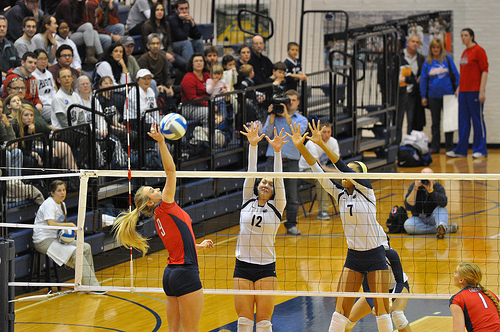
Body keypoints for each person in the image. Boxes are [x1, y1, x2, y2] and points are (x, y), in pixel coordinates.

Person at [288, 119, 393, 332]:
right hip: (354, 257)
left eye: (351, 172)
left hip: (375, 256)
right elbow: (317, 170)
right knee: (340, 309)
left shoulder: (367, 192)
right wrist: (300, 147)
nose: (344, 174)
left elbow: (341, 166)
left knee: (382, 309)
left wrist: (323, 144)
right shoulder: (340, 194)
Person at [113, 123, 214, 331]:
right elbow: (171, 170)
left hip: (171, 275)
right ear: (150, 202)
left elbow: (180, 245)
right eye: (152, 190)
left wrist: (200, 247)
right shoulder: (165, 205)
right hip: (185, 274)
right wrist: (161, 142)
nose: (158, 189)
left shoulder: (159, 218)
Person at [234, 122, 287, 332]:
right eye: (263, 182)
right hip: (242, 265)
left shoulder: (277, 207)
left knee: (264, 321)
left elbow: (281, 180)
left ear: (273, 190)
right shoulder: (247, 199)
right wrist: (253, 146)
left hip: (266, 267)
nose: (265, 184)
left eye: (270, 183)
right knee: (244, 320)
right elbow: (250, 171)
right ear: (257, 186)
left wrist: (277, 152)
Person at [33, 180, 102, 290]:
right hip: (43, 240)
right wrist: (69, 224)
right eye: (59, 191)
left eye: (64, 190)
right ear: (52, 193)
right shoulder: (49, 204)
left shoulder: (63, 205)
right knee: (76, 252)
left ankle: (86, 284)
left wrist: (70, 232)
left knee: (86, 247)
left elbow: (61, 226)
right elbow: (51, 224)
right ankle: (92, 287)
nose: (62, 193)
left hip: (56, 238)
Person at [262, 89, 307, 236]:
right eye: (288, 100)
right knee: (268, 194)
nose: (290, 103)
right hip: (272, 160)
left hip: (291, 162)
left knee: (292, 196)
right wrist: (271, 116)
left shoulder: (301, 120)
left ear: (297, 102)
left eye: (293, 100)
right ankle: (267, 224)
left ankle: (291, 225)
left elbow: (296, 134)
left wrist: (287, 115)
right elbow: (265, 135)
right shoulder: (274, 117)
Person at [346, 243, 412, 332]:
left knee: (398, 316)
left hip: (397, 288)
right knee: (349, 320)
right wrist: (373, 306)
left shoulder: (390, 254)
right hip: (377, 290)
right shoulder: (364, 259)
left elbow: (400, 282)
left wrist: (391, 300)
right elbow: (367, 289)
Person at [446, 28, 489, 159]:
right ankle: (461, 150)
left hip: (475, 91)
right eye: (461, 36)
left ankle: (480, 149)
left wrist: (481, 91)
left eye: (465, 35)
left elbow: (485, 71)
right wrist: (459, 88)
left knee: (477, 120)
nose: (463, 38)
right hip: (464, 92)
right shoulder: (465, 52)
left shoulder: (479, 50)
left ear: (471, 37)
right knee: (463, 121)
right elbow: (464, 74)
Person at [420, 38, 460, 154]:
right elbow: (423, 80)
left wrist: (458, 88)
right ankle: (435, 146)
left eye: (438, 47)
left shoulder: (447, 60)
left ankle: (449, 147)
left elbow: (456, 75)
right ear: (431, 49)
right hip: (433, 96)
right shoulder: (427, 63)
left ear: (441, 49)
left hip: (448, 95)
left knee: (449, 122)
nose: (436, 49)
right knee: (435, 122)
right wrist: (423, 96)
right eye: (433, 47)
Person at [298, 122, 339, 220]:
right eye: (324, 132)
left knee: (346, 178)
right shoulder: (311, 144)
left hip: (323, 170)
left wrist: (339, 173)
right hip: (306, 171)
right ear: (319, 132)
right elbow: (318, 167)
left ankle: (348, 207)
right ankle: (322, 211)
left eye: (329, 132)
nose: (327, 134)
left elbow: (337, 162)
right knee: (322, 179)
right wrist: (335, 172)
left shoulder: (333, 142)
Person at [403, 167, 458, 238]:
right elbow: (408, 206)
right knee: (408, 225)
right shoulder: (414, 186)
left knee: (442, 209)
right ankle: (444, 229)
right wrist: (415, 189)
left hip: (434, 218)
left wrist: (431, 191)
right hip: (418, 219)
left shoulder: (438, 186)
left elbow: (443, 203)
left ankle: (441, 226)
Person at [450, 262, 500, 332]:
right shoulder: (490, 294)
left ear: (461, 280)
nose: (453, 274)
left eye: (455, 272)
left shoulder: (457, 299)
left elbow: (458, 330)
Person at [54, 0, 103, 65]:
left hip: (74, 31)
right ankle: (90, 56)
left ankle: (101, 57)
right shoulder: (65, 4)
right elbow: (69, 24)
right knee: (89, 27)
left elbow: (79, 21)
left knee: (93, 32)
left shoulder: (80, 4)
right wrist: (77, 27)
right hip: (64, 35)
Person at [396, 34, 425, 144]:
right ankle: (397, 144)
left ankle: (410, 144)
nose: (415, 44)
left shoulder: (421, 58)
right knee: (398, 121)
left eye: (417, 42)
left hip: (413, 94)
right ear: (408, 43)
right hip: (399, 93)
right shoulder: (399, 55)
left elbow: (421, 74)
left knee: (412, 121)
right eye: (413, 41)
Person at [141, 2, 186, 72]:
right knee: (169, 66)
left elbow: (169, 42)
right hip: (155, 54)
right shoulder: (147, 25)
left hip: (167, 51)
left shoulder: (166, 24)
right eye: (157, 10)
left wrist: (170, 53)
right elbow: (147, 46)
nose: (160, 12)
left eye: (162, 10)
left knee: (184, 63)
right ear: (153, 12)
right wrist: (165, 54)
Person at [137, 33, 174, 98]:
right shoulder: (143, 59)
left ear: (160, 45)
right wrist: (162, 87)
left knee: (180, 89)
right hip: (150, 85)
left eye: (157, 43)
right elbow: (146, 78)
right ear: (148, 46)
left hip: (162, 83)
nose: (155, 46)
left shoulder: (163, 57)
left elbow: (166, 74)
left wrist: (170, 87)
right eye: (153, 44)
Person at [180, 53, 210, 125]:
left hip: (207, 103)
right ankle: (207, 133)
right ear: (192, 64)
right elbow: (193, 99)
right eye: (196, 61)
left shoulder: (207, 75)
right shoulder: (188, 78)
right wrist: (210, 104)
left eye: (201, 61)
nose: (199, 63)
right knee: (208, 112)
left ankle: (222, 131)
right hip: (189, 106)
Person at [32, 49, 57, 124]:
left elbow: (53, 90)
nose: (43, 61)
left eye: (45, 59)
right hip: (42, 105)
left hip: (52, 102)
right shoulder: (32, 75)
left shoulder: (49, 73)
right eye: (40, 59)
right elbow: (35, 95)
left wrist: (55, 101)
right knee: (57, 114)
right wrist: (50, 103)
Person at [0, 95, 23, 176]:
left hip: (3, 149)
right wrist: (8, 147)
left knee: (17, 152)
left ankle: (16, 181)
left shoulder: (1, 121)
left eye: (0, 107)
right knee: (6, 154)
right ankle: (7, 182)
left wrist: (7, 125)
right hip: (2, 150)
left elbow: (12, 140)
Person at [0, 15, 22, 80]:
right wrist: (7, 76)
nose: (2, 29)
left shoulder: (11, 46)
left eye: (4, 26)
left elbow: (18, 64)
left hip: (11, 80)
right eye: (0, 26)